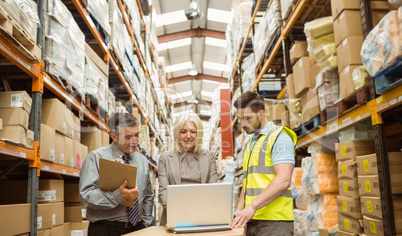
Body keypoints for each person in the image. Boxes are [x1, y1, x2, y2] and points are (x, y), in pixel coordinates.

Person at [230, 91, 297, 236]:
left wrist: (251, 207)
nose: (243, 124)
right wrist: (239, 211)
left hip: (275, 222)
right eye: (240, 119)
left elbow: (283, 180)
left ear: (261, 114)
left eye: (247, 118)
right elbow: (247, 185)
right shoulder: (251, 144)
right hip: (253, 220)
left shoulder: (279, 138)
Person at [79, 112, 154, 236]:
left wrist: (146, 224)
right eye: (128, 137)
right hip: (106, 229)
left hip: (138, 229)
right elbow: (86, 196)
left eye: (137, 135)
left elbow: (148, 195)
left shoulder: (142, 161)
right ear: (113, 137)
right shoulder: (96, 157)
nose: (134, 141)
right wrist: (117, 196)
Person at [157, 113, 218, 226]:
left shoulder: (209, 157)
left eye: (193, 132)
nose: (188, 136)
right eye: (183, 132)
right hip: (173, 220)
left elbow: (212, 190)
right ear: (177, 134)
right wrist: (179, 215)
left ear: (198, 134)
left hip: (204, 219)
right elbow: (163, 192)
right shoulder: (165, 158)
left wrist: (200, 214)